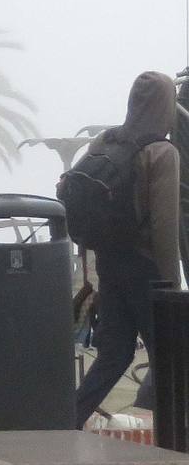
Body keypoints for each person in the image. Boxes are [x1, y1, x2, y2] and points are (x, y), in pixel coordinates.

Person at [72, 72, 181, 428]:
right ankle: (174, 439)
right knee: (173, 356)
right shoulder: (161, 152)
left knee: (114, 355)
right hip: (147, 270)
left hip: (110, 264)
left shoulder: (104, 142)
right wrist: (171, 287)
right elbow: (165, 227)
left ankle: (63, 422)